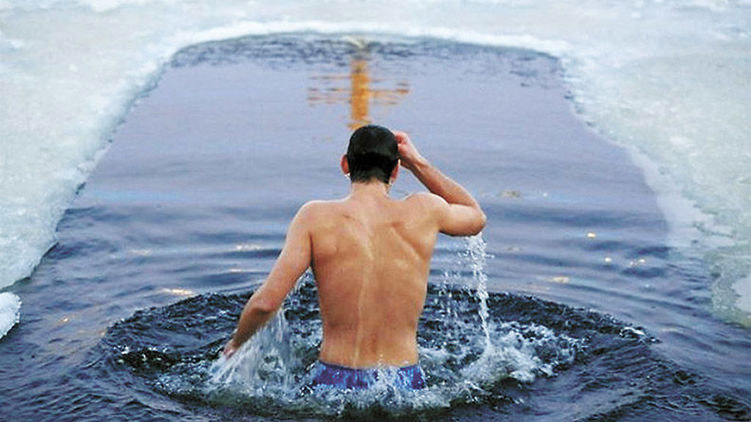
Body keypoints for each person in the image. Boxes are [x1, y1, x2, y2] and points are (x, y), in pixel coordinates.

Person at [223, 125, 486, 390]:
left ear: (345, 164)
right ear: (396, 171)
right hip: (405, 382)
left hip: (333, 382)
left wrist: (236, 344)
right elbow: (476, 216)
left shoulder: (314, 217)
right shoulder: (426, 210)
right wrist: (418, 164)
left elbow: (266, 303)